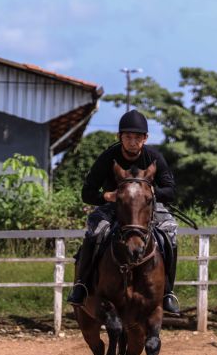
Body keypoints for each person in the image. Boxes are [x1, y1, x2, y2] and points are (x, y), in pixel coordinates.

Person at [67, 109, 180, 313]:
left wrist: (152, 192)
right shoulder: (108, 157)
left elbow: (171, 191)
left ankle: (168, 291)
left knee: (170, 233)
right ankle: (81, 285)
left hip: (146, 207)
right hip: (114, 206)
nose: (132, 142)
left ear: (145, 138)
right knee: (95, 232)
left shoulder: (154, 157)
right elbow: (87, 192)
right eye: (128, 137)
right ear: (120, 137)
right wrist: (106, 196)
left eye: (138, 137)